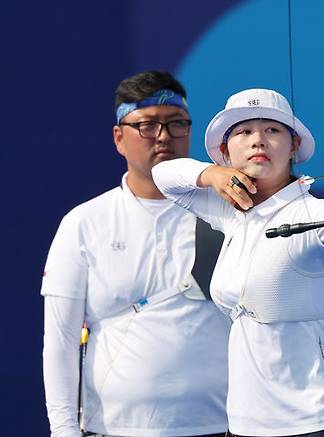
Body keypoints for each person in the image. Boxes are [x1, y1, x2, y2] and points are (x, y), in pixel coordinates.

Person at [152, 88, 324, 437]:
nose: (258, 141)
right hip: (245, 423)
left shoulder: (312, 215)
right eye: (243, 131)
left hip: (318, 421)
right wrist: (211, 175)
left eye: (272, 130)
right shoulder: (228, 209)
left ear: (293, 146)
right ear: (225, 151)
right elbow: (164, 176)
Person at [41, 71, 230, 437]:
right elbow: (60, 341)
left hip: (223, 424)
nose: (163, 137)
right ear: (119, 138)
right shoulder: (84, 223)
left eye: (177, 124)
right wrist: (64, 432)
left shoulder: (228, 213)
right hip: (114, 428)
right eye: (147, 125)